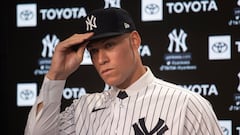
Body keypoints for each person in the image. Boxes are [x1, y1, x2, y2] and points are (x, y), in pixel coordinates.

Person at [24, 7, 223, 135]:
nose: (101, 59)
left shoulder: (187, 104)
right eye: (93, 51)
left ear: (134, 40)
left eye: (109, 45)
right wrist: (56, 76)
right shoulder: (83, 108)